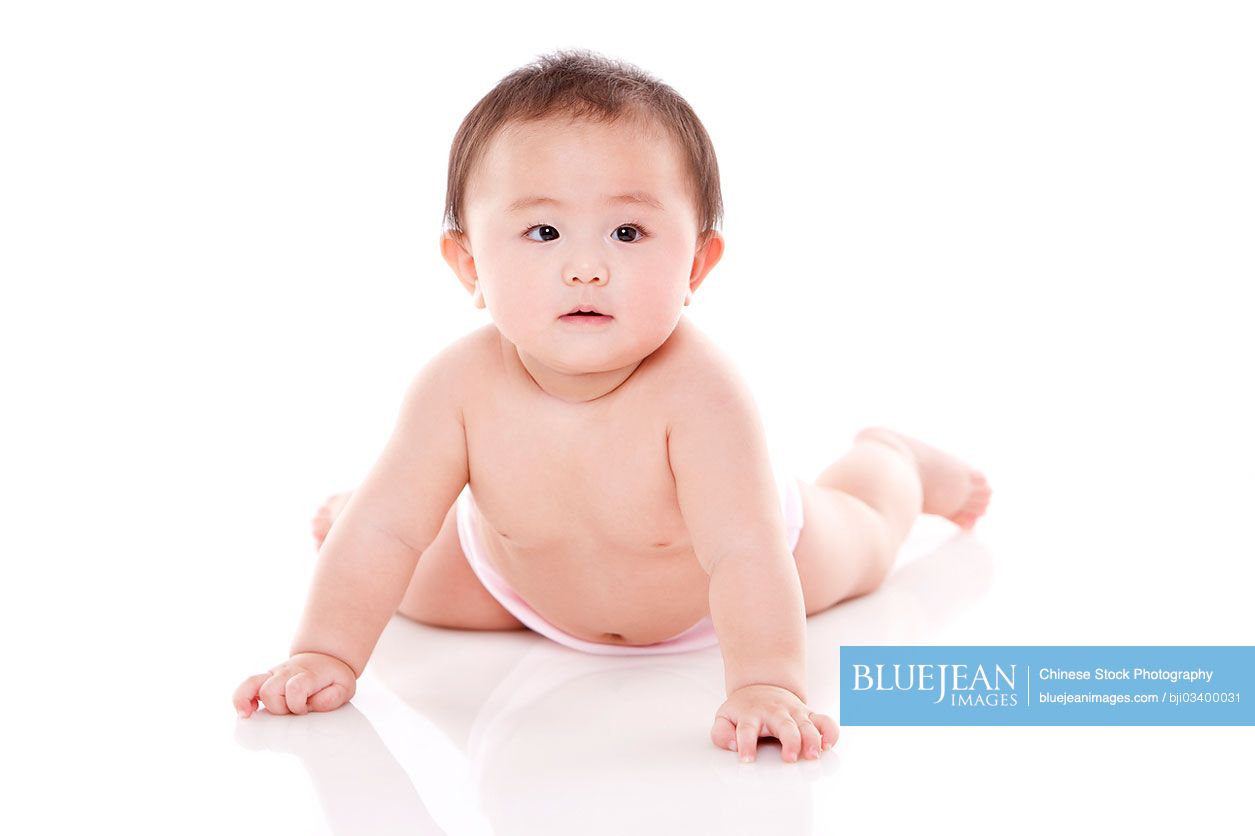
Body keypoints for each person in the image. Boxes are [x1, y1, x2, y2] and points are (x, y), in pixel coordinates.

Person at [233, 48, 992, 764]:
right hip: (520, 582)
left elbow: (742, 554)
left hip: (724, 583)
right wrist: (323, 653)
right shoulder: (455, 386)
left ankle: (892, 461)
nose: (586, 267)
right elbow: (390, 529)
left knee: (862, 543)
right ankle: (352, 532)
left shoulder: (700, 391)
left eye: (627, 232)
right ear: (469, 264)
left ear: (696, 261)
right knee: (394, 555)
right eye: (542, 231)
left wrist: (766, 683)